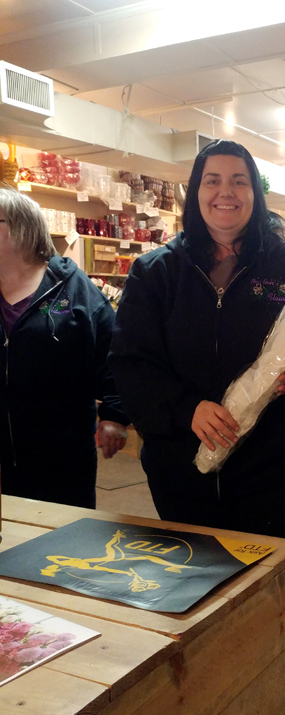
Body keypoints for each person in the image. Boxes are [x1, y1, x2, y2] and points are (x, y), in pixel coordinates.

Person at [109, 140, 285, 541]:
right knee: (194, 572)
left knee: (268, 577)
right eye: (212, 180)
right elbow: (131, 361)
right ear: (196, 192)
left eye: (239, 181)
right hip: (183, 471)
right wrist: (186, 409)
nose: (225, 192)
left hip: (281, 473)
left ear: (255, 194)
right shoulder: (156, 273)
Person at [0, 188, 128, 508]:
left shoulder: (71, 287)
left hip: (61, 456)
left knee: (63, 532)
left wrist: (114, 414)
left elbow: (113, 351)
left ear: (21, 228)